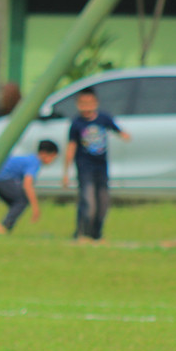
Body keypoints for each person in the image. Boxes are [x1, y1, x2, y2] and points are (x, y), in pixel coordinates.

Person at [61, 88, 131, 241]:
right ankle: (82, 233)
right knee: (88, 201)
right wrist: (65, 172)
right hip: (85, 167)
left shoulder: (103, 118)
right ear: (77, 105)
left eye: (89, 103)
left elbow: (117, 129)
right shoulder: (76, 123)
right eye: (82, 104)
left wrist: (124, 135)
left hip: (101, 167)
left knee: (103, 202)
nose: (86, 107)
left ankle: (96, 234)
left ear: (96, 103)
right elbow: (71, 147)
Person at [0, 139, 59, 234]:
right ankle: (3, 227)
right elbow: (27, 185)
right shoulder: (34, 162)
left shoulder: (30, 159)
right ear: (43, 153)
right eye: (52, 157)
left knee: (17, 203)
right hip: (1, 179)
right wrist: (35, 207)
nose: (52, 161)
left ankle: (5, 226)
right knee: (21, 200)